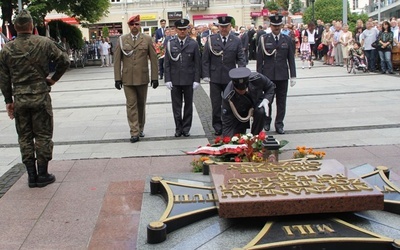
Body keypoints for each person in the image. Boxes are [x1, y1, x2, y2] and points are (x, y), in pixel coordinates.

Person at [0, 10, 70, 188]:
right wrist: (53, 79)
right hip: (40, 97)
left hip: (21, 99)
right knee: (43, 135)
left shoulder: (7, 49)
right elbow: (64, 60)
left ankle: (31, 175)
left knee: (24, 137)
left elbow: (4, 77)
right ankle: (43, 173)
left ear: (15, 28)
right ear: (31, 25)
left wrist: (9, 101)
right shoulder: (44, 43)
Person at [113, 15, 159, 143]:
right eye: (132, 24)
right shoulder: (122, 40)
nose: (135, 26)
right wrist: (117, 78)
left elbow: (154, 59)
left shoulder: (147, 39)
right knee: (131, 104)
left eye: (137, 24)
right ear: (129, 26)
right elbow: (117, 61)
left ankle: (140, 127)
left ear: (140, 25)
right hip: (127, 78)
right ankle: (134, 132)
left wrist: (155, 77)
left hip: (142, 77)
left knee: (141, 104)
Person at [202, 15, 246, 136]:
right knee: (216, 104)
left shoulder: (236, 40)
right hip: (215, 77)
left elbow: (241, 58)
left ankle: (230, 124)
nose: (224, 29)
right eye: (221, 26)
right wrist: (205, 74)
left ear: (230, 26)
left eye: (226, 26)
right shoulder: (211, 40)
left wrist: (241, 74)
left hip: (230, 78)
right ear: (218, 27)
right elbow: (205, 59)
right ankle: (217, 126)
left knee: (231, 102)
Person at [256, 14, 296, 134]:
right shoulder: (264, 39)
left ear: (281, 26)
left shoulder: (287, 39)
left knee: (281, 101)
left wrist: (293, 75)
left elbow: (291, 59)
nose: (276, 27)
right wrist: (258, 76)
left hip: (282, 75)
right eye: (274, 25)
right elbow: (259, 59)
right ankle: (267, 121)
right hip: (268, 76)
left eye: (278, 25)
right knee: (268, 100)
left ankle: (279, 124)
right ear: (270, 26)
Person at [164, 19, 201, 137]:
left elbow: (197, 63)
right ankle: (178, 128)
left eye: (184, 29)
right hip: (175, 79)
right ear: (175, 30)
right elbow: (167, 63)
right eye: (180, 29)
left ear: (187, 30)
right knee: (176, 106)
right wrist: (167, 79)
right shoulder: (170, 43)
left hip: (189, 79)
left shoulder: (193, 43)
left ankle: (186, 128)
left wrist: (196, 80)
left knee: (188, 105)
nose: (182, 31)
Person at [221, 68, 275, 137]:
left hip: (257, 102)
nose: (242, 91)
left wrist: (266, 100)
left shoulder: (257, 78)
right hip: (239, 111)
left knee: (261, 112)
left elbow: (270, 86)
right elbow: (227, 122)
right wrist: (227, 142)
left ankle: (255, 136)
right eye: (239, 90)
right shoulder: (228, 96)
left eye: (244, 89)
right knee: (238, 136)